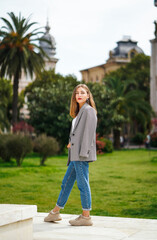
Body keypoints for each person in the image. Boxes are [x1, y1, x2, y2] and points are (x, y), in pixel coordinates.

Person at [44, 84, 97, 226]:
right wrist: (71, 144)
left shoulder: (89, 111)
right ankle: (55, 213)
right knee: (66, 183)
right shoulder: (80, 112)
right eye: (77, 93)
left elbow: (89, 133)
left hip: (81, 156)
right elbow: (77, 133)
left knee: (82, 184)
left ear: (88, 95)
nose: (79, 95)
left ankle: (86, 216)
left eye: (82, 92)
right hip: (75, 155)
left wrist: (83, 152)